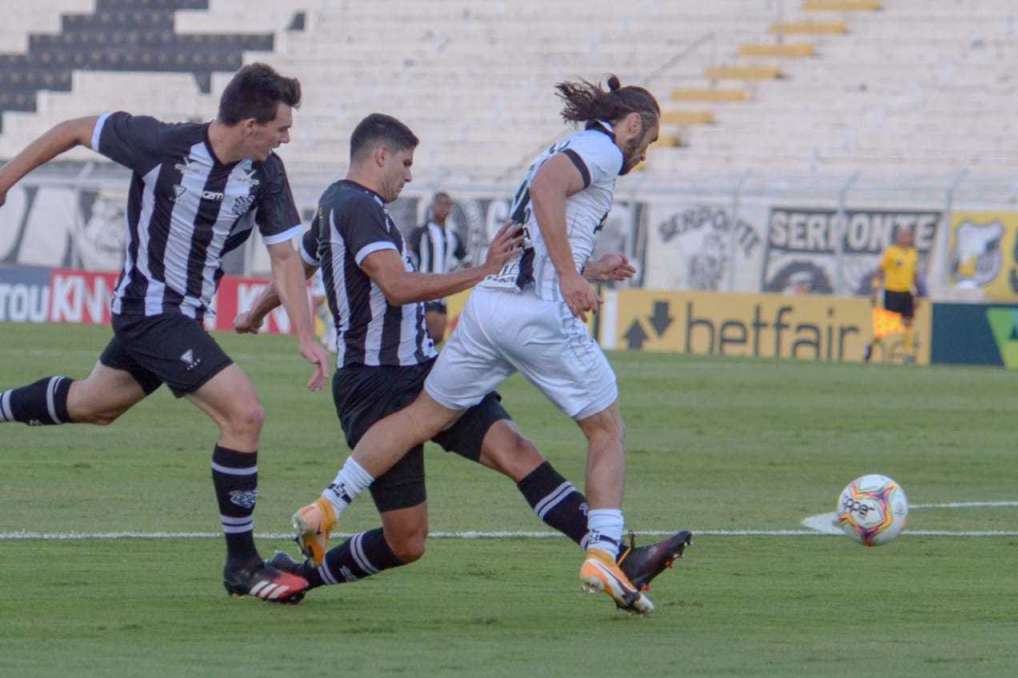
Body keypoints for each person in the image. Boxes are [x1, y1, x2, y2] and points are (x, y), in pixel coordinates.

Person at [236, 112, 689, 611]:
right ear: (379, 155)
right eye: (405, 163)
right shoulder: (357, 207)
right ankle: (300, 571)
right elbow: (397, 286)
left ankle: (620, 559)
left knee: (518, 451)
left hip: (419, 369)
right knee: (407, 541)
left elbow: (298, 263)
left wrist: (256, 311)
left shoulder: (337, 205)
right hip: (377, 384)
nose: (410, 175)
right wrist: (483, 270)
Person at [0, 63, 330, 604]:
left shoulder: (264, 172)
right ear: (249, 125)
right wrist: (6, 178)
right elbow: (73, 130)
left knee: (93, 404)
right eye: (280, 128)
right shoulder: (160, 143)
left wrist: (302, 332)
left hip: (180, 318)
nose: (286, 138)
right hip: (148, 310)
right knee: (244, 414)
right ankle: (242, 565)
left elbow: (285, 257)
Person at [408, 192, 467, 344]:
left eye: (448, 205)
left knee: (438, 338)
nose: (444, 208)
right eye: (441, 204)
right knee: (425, 337)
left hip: (443, 294)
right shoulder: (421, 232)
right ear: (433, 206)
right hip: (424, 291)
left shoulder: (453, 236)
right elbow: (407, 255)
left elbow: (466, 261)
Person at [864, 226, 925, 364]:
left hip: (907, 292)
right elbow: (880, 271)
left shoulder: (913, 254)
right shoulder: (891, 252)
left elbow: (914, 275)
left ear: (911, 238)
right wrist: (875, 290)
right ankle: (869, 346)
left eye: (907, 236)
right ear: (898, 237)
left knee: (908, 322)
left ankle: (908, 355)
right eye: (902, 235)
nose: (904, 238)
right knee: (886, 327)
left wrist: (917, 295)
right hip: (892, 292)